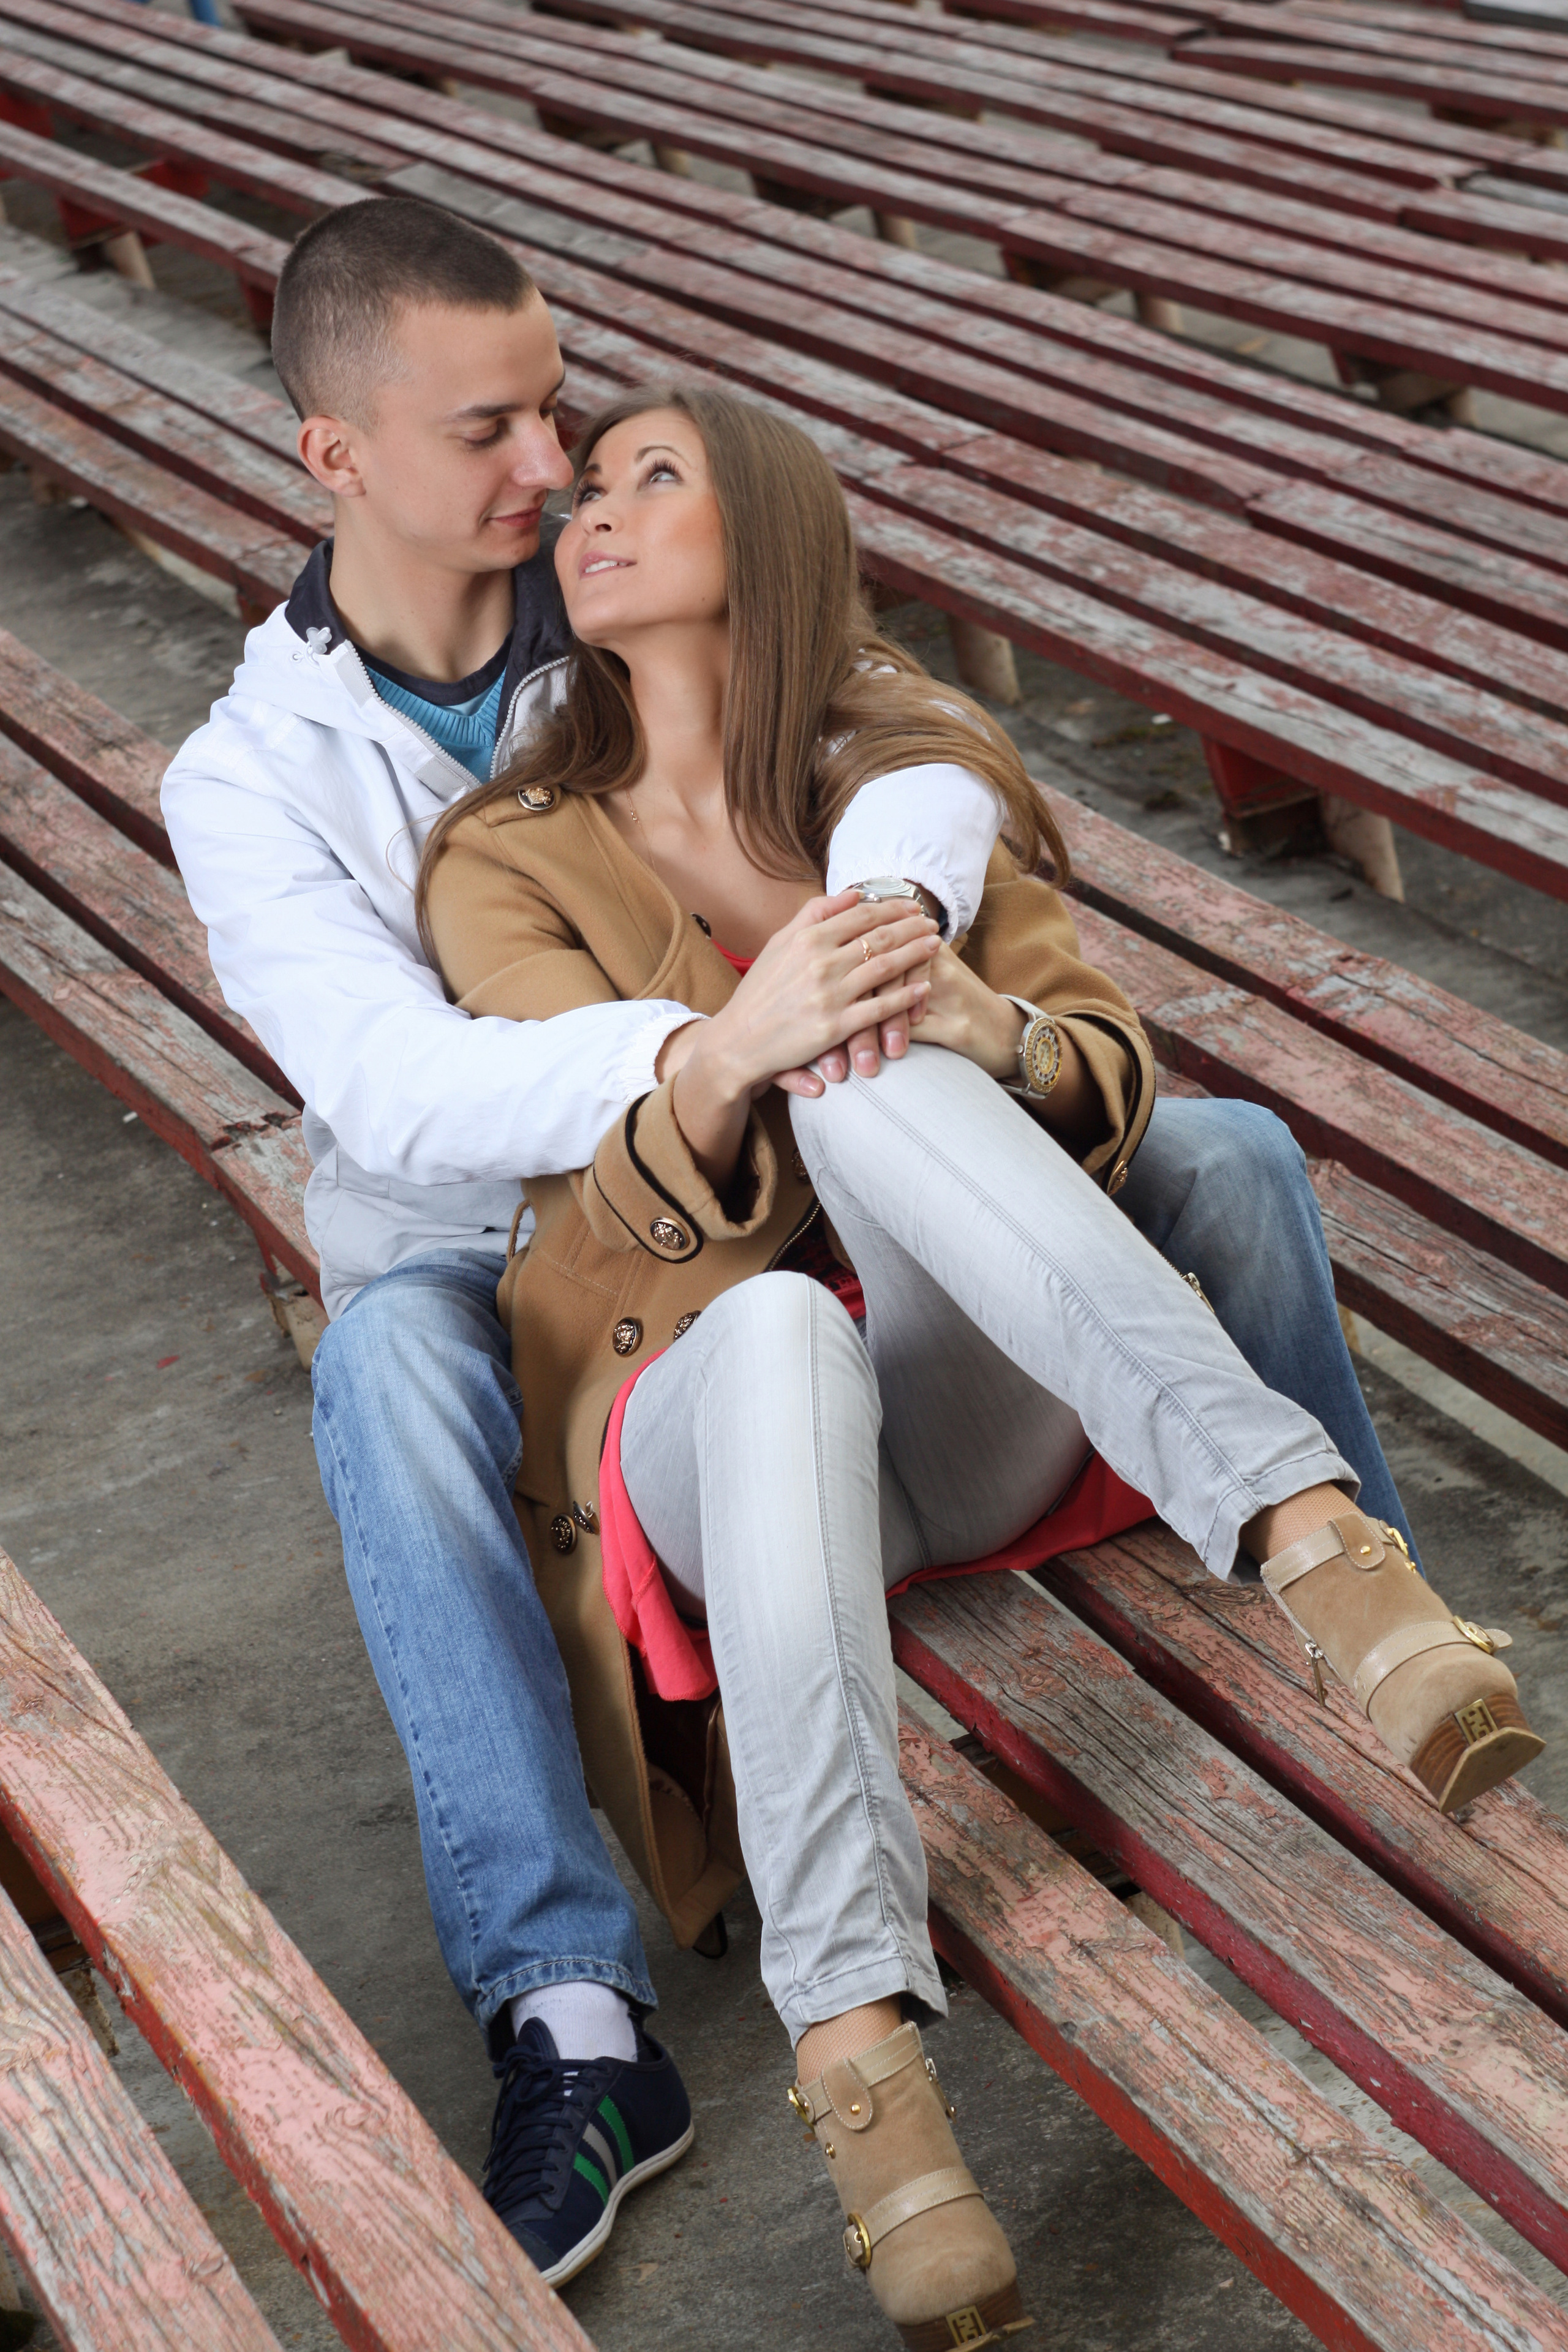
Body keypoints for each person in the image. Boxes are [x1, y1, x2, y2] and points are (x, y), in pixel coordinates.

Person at [162, 189, 1420, 2290]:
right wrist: (723, 1037)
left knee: (1215, 1152)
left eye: (561, 408)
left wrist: (885, 934)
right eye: (491, 430)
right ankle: (571, 2009)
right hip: (500, 1242)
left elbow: (897, 737)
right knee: (382, 1366)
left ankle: (1356, 1626)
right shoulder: (251, 772)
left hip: (823, 1144)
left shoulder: (625, 574)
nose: (551, 465)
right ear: (337, 455)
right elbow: (388, 1089)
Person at [418, 383, 1545, 2348]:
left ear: (765, 532)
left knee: (887, 1056)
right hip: (721, 1417)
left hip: (966, 1383)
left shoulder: (911, 772)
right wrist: (755, 1034)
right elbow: (585, 1205)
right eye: (578, 490)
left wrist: (978, 1026)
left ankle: (1309, 1539)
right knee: (793, 1238)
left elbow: (1106, 1051)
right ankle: (861, 2055)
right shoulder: (506, 856)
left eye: (647, 480)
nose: (588, 511)